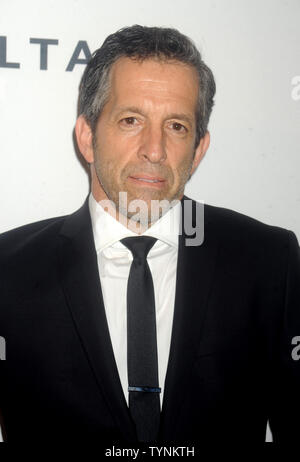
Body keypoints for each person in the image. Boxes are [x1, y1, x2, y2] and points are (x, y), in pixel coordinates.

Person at [0, 24, 299, 444]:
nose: (154, 149)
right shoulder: (8, 270)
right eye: (131, 120)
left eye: (176, 126)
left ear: (199, 148)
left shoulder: (270, 262)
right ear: (88, 137)